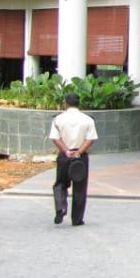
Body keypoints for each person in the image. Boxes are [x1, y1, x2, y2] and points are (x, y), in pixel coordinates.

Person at [49, 92, 98, 227]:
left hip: (64, 156)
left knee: (60, 183)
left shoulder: (58, 119)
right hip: (80, 157)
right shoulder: (88, 120)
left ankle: (61, 208)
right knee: (80, 188)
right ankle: (77, 219)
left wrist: (66, 151)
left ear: (66, 103)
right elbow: (90, 139)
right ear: (79, 104)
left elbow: (55, 138)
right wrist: (79, 152)